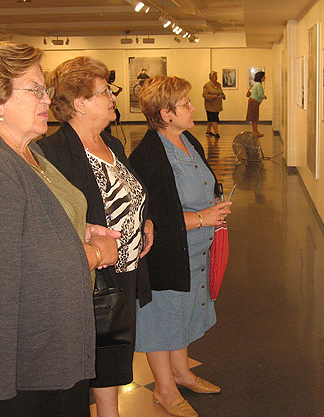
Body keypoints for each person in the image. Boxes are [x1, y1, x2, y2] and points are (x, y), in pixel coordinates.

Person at [0, 41, 119, 417]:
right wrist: (96, 253)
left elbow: (37, 223)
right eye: (35, 89)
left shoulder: (28, 150)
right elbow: (3, 273)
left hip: (46, 343)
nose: (47, 98)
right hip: (22, 364)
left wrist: (80, 228)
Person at [37, 56, 154, 417]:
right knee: (98, 354)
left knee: (114, 354)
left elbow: (130, 192)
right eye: (105, 92)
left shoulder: (111, 144)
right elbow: (56, 222)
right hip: (94, 277)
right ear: (80, 103)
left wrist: (144, 220)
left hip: (126, 270)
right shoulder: (54, 153)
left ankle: (110, 412)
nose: (113, 97)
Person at [130, 76, 232, 417]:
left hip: (195, 252)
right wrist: (204, 217)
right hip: (167, 254)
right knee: (162, 320)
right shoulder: (149, 155)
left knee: (185, 313)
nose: (193, 108)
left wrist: (215, 204)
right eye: (186, 104)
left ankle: (182, 371)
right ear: (166, 113)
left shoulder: (188, 140)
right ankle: (164, 389)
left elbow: (202, 182)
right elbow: (155, 217)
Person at [202, 70, 225, 138]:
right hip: (210, 106)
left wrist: (223, 96)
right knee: (214, 119)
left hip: (217, 106)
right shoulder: (206, 86)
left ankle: (208, 131)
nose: (216, 78)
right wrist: (213, 97)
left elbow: (221, 92)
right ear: (211, 78)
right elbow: (204, 95)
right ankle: (216, 133)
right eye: (215, 77)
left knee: (210, 119)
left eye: (216, 76)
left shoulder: (218, 84)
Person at [246, 70, 267, 136]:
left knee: (254, 117)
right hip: (254, 102)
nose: (265, 78)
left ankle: (255, 130)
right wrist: (265, 96)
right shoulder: (258, 85)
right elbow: (260, 95)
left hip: (253, 101)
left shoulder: (256, 84)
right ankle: (255, 131)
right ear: (261, 78)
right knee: (254, 117)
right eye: (264, 77)